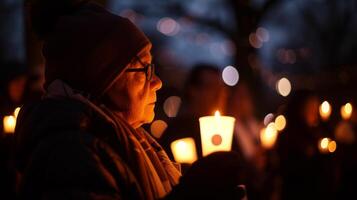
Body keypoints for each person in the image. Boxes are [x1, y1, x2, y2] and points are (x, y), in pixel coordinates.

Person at [14, 1, 245, 199]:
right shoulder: (69, 153)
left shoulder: (124, 141)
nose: (157, 82)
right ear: (104, 79)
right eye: (145, 68)